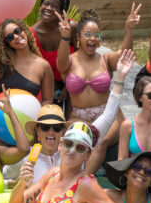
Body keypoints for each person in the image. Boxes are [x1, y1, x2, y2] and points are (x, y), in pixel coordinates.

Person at [22, 49, 135, 183]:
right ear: (38, 132)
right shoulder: (26, 159)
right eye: (45, 127)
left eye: (57, 127)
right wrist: (20, 182)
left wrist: (120, 77)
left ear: (63, 134)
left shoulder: (73, 151)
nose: (51, 131)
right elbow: (7, 183)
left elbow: (108, 115)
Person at [10, 122, 129, 203]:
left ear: (87, 155)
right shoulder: (52, 174)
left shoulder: (86, 184)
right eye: (68, 143)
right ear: (60, 145)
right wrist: (21, 183)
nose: (72, 151)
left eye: (80, 148)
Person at [56, 5, 139, 147]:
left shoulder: (106, 59)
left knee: (100, 143)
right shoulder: (69, 61)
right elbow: (60, 63)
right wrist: (64, 36)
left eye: (97, 35)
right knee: (82, 142)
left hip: (109, 115)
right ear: (78, 37)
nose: (93, 38)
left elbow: (125, 54)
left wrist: (128, 29)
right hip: (78, 118)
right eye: (88, 34)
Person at [0, 18, 54, 104]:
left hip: (28, 116)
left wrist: (37, 115)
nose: (16, 37)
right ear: (6, 43)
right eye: (10, 37)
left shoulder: (44, 66)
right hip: (0, 115)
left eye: (17, 31)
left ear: (24, 30)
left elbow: (47, 100)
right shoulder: (1, 63)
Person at [31, 0, 76, 104]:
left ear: (62, 11)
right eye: (46, 4)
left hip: (75, 82)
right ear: (40, 5)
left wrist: (68, 87)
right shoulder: (31, 33)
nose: (49, 8)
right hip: (48, 88)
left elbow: (81, 57)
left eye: (55, 6)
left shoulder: (70, 27)